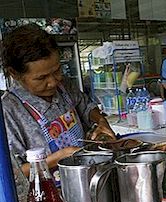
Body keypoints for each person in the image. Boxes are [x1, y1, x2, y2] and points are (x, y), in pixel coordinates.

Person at [1, 24, 116, 179]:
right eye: (41, 78)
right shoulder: (8, 111)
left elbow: (87, 107)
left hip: (88, 176)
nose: (53, 82)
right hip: (50, 192)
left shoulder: (64, 86)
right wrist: (58, 157)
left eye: (57, 71)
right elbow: (14, 174)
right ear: (14, 74)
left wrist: (101, 121)